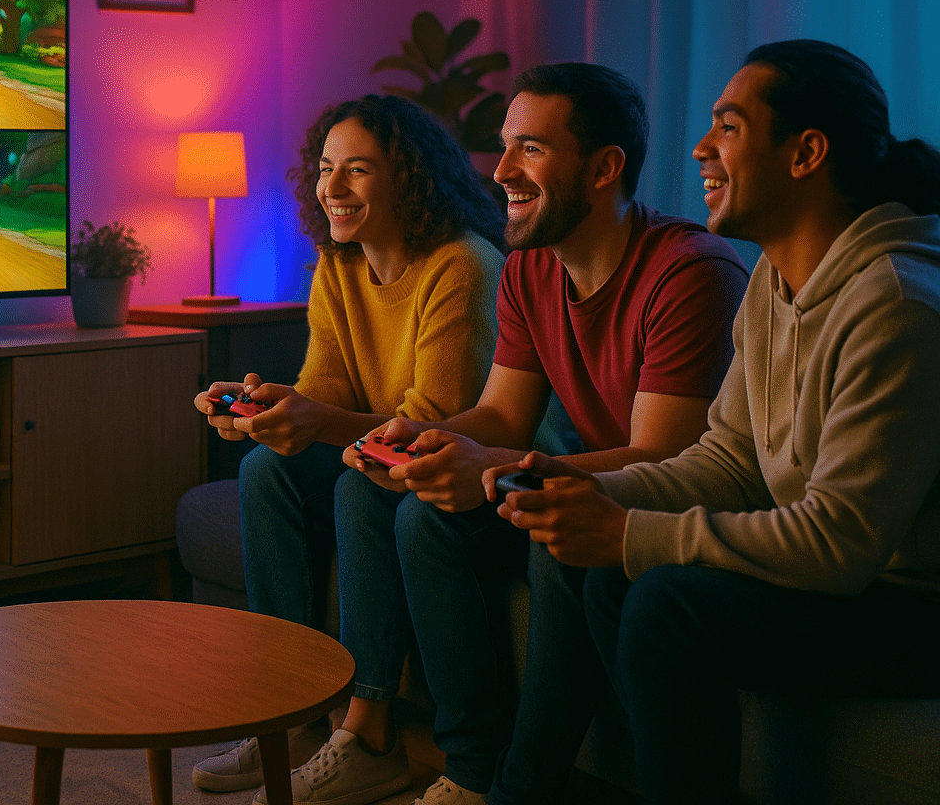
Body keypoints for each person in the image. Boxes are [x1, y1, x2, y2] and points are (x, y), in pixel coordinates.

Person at [498, 39, 940, 805]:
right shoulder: (775, 278)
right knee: (605, 581)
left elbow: (839, 542)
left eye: (729, 127)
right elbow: (731, 462)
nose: (701, 148)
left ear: (806, 152)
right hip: (858, 584)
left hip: (914, 603)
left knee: (669, 604)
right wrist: (584, 486)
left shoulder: (895, 304)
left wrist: (632, 532)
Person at [351, 62, 750, 805]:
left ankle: (521, 788)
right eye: (505, 146)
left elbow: (667, 456)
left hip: (664, 505)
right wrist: (425, 438)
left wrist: (491, 464)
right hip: (600, 480)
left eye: (529, 148)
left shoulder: (690, 271)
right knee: (418, 515)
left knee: (549, 525)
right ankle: (469, 765)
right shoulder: (529, 269)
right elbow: (502, 416)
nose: (500, 170)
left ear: (604, 168)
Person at [190, 94, 509, 797]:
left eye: (358, 170)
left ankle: (368, 731)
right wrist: (268, 413)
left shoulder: (462, 264)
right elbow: (322, 391)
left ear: (412, 178)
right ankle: (282, 711)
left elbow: (430, 427)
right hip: (385, 447)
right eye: (327, 169)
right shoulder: (338, 267)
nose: (332, 188)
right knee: (264, 470)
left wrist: (316, 420)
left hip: (469, 465)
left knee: (358, 482)